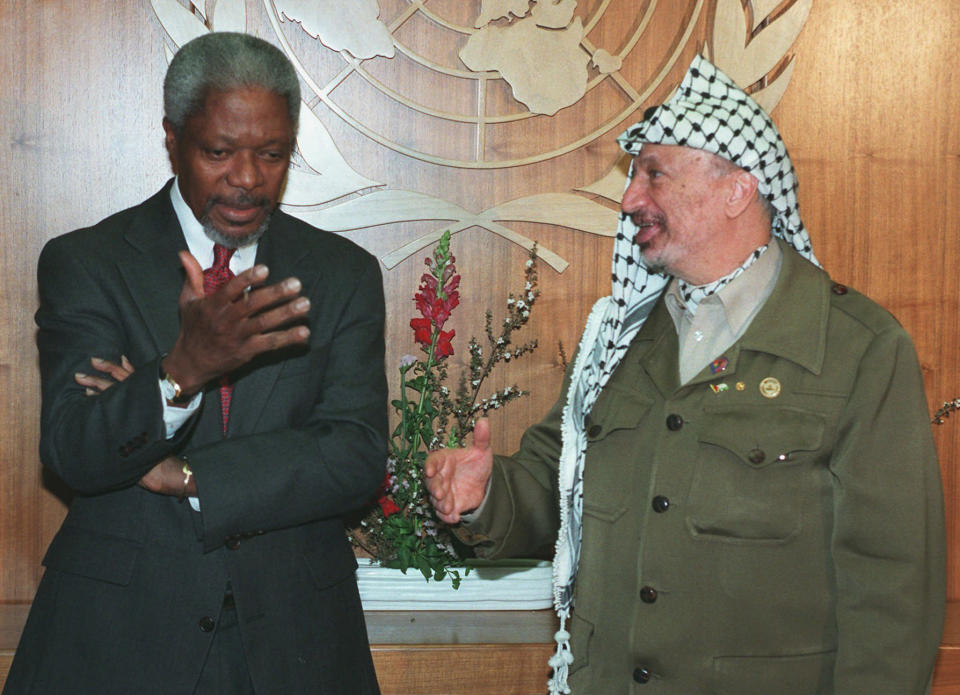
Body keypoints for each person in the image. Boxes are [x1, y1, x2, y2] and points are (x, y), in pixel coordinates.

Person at [426, 55, 946, 694]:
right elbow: (552, 485)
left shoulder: (857, 350)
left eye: (654, 175)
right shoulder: (618, 337)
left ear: (737, 189)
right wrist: (486, 496)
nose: (629, 199)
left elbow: (892, 590)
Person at [4, 32, 386, 695]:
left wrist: (186, 474)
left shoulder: (343, 275)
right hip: (119, 640)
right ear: (171, 137)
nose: (246, 178)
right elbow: (74, 449)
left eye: (271, 154)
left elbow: (353, 457)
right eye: (218, 151)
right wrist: (179, 372)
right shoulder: (88, 263)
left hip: (296, 642)